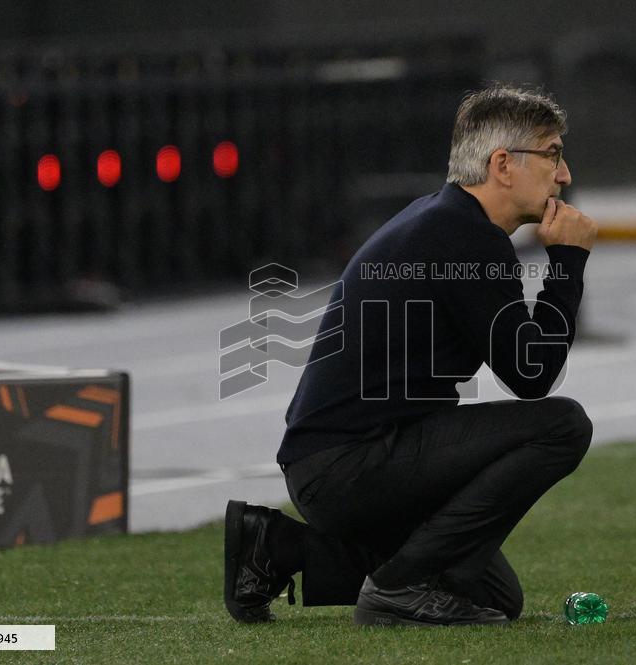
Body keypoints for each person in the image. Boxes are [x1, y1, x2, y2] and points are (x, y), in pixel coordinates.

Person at [223, 85, 597, 627]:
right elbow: (531, 375)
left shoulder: (449, 222)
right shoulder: (463, 239)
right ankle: (399, 588)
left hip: (346, 462)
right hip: (349, 465)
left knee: (494, 595)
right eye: (553, 154)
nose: (563, 174)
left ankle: (274, 547)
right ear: (502, 164)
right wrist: (566, 261)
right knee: (562, 426)